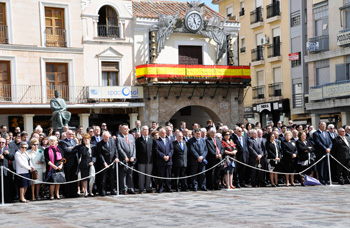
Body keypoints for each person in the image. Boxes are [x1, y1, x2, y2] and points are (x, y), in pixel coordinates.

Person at [97, 131, 119, 196]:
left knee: (112, 177)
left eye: (107, 137)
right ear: (102, 137)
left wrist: (116, 157)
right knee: (103, 178)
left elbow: (115, 150)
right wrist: (104, 163)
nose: (106, 139)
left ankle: (112, 190)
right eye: (105, 138)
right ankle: (103, 190)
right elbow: (100, 154)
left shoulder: (112, 141)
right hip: (104, 163)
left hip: (112, 162)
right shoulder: (99, 144)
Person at [117, 124, 136, 195]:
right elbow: (119, 148)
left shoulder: (131, 136)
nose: (126, 130)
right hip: (124, 159)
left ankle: (130, 188)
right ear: (121, 129)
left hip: (131, 159)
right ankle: (124, 189)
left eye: (127, 129)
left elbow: (134, 147)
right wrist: (125, 157)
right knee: (123, 175)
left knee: (130, 174)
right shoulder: (119, 137)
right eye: (124, 129)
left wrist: (133, 157)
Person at [59, 130, 79, 198]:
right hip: (68, 163)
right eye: (70, 134)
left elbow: (77, 149)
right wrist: (74, 148)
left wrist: (72, 148)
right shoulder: (63, 142)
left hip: (75, 162)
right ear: (66, 134)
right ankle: (67, 193)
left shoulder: (75, 141)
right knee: (68, 177)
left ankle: (74, 192)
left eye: (72, 134)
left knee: (74, 177)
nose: (71, 136)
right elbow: (67, 150)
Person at [154, 128, 174, 193]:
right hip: (161, 161)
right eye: (162, 133)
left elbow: (172, 149)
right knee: (161, 175)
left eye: (165, 133)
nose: (164, 134)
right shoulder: (157, 141)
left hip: (168, 161)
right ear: (159, 134)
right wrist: (163, 156)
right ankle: (160, 188)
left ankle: (168, 187)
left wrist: (168, 156)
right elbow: (156, 150)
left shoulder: (169, 140)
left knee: (168, 175)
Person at [136, 126, 154, 194]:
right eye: (144, 130)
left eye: (147, 130)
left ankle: (148, 187)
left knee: (149, 175)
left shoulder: (151, 139)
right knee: (141, 175)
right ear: (142, 131)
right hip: (141, 160)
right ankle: (141, 188)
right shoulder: (138, 140)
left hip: (149, 160)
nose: (146, 131)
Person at [0, 137, 14, 203]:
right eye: (0, 142)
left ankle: (7, 199)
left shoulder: (7, 149)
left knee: (7, 186)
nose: (1, 143)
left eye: (2, 142)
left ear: (5, 143)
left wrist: (8, 154)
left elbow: (12, 158)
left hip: (6, 171)